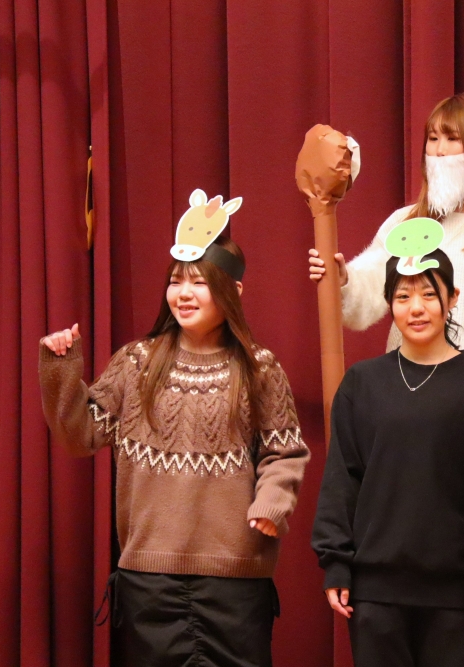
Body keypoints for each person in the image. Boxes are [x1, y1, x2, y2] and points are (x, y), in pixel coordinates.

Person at [39, 233, 310, 667]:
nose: (183, 294)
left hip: (235, 580)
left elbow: (285, 451)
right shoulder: (135, 362)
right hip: (148, 581)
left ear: (233, 290)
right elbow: (79, 436)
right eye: (175, 281)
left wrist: (273, 503)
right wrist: (61, 368)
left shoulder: (259, 368)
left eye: (199, 282)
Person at [311, 247, 464, 667]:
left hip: (456, 594)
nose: (416, 308)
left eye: (429, 294)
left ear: (453, 297)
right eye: (403, 296)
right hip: (374, 594)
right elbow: (342, 478)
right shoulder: (361, 383)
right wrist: (335, 562)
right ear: (389, 303)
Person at [308, 92, 464, 450]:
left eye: (453, 139)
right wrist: (344, 280)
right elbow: (372, 288)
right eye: (433, 138)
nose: (439, 151)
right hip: (408, 402)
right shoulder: (405, 223)